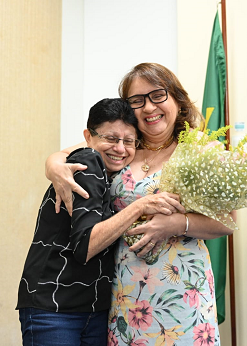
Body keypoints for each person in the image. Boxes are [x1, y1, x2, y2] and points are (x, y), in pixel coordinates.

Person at [46, 63, 233, 346]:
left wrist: (175, 223)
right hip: (124, 289)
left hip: (182, 289)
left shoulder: (199, 150)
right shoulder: (122, 148)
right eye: (137, 100)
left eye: (158, 95)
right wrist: (53, 165)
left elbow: (227, 221)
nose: (148, 107)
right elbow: (64, 155)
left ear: (177, 101)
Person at [17, 98, 185, 346]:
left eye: (129, 141)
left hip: (92, 309)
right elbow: (85, 247)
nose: (120, 148)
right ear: (89, 136)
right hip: (54, 308)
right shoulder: (88, 163)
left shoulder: (114, 170)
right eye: (111, 139)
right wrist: (140, 206)